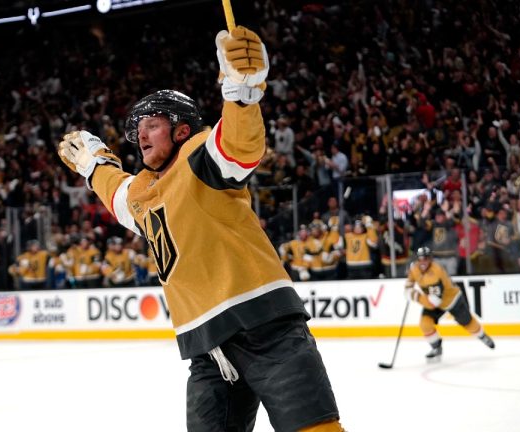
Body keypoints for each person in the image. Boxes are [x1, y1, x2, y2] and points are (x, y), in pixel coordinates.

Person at [58, 26, 342, 432]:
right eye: (137, 130)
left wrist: (242, 94)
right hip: (207, 348)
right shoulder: (144, 191)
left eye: (151, 124)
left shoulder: (198, 155)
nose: (140, 135)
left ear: (182, 129)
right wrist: (95, 165)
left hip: (266, 326)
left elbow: (238, 147)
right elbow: (119, 195)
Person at [404, 246, 495, 361]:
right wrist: (408, 288)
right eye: (420, 259)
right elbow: (410, 280)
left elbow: (433, 302)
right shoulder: (414, 267)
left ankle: (482, 336)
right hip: (432, 300)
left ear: (430, 259)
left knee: (468, 323)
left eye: (426, 258)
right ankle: (436, 348)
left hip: (452, 300)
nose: (423, 262)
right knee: (425, 324)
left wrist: (414, 295)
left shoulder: (435, 272)